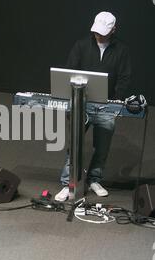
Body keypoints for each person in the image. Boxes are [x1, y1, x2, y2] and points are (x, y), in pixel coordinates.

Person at [55, 11, 132, 201]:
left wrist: (115, 103)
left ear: (114, 30)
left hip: (106, 106)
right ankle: (68, 183)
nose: (99, 35)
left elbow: (124, 78)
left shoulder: (122, 50)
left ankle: (94, 179)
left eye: (104, 32)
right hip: (81, 102)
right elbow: (69, 72)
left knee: (103, 146)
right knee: (74, 144)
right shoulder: (81, 45)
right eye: (97, 31)